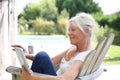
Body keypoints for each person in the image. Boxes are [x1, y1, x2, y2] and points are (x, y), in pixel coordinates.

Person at [12, 12, 97, 80]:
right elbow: (51, 60)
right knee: (42, 56)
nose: (69, 33)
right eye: (69, 30)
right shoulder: (73, 49)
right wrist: (27, 55)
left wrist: (31, 77)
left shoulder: (82, 56)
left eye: (73, 30)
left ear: (86, 31)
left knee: (42, 55)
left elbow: (65, 79)